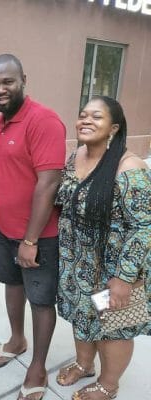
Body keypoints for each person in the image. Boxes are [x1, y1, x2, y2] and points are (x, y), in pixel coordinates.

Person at [55, 96, 151, 400]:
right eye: (82, 115)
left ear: (114, 127)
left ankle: (109, 385)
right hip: (78, 261)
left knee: (115, 328)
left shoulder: (129, 167)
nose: (86, 121)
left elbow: (144, 227)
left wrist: (124, 278)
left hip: (116, 270)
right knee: (82, 318)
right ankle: (84, 364)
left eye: (96, 117)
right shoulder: (76, 156)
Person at [0, 54, 66, 400]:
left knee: (41, 299)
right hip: (4, 229)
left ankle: (37, 366)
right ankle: (17, 339)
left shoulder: (44, 120)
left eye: (8, 82)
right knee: (12, 283)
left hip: (38, 236)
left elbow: (48, 183)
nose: (1, 89)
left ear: (23, 80)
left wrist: (30, 239)